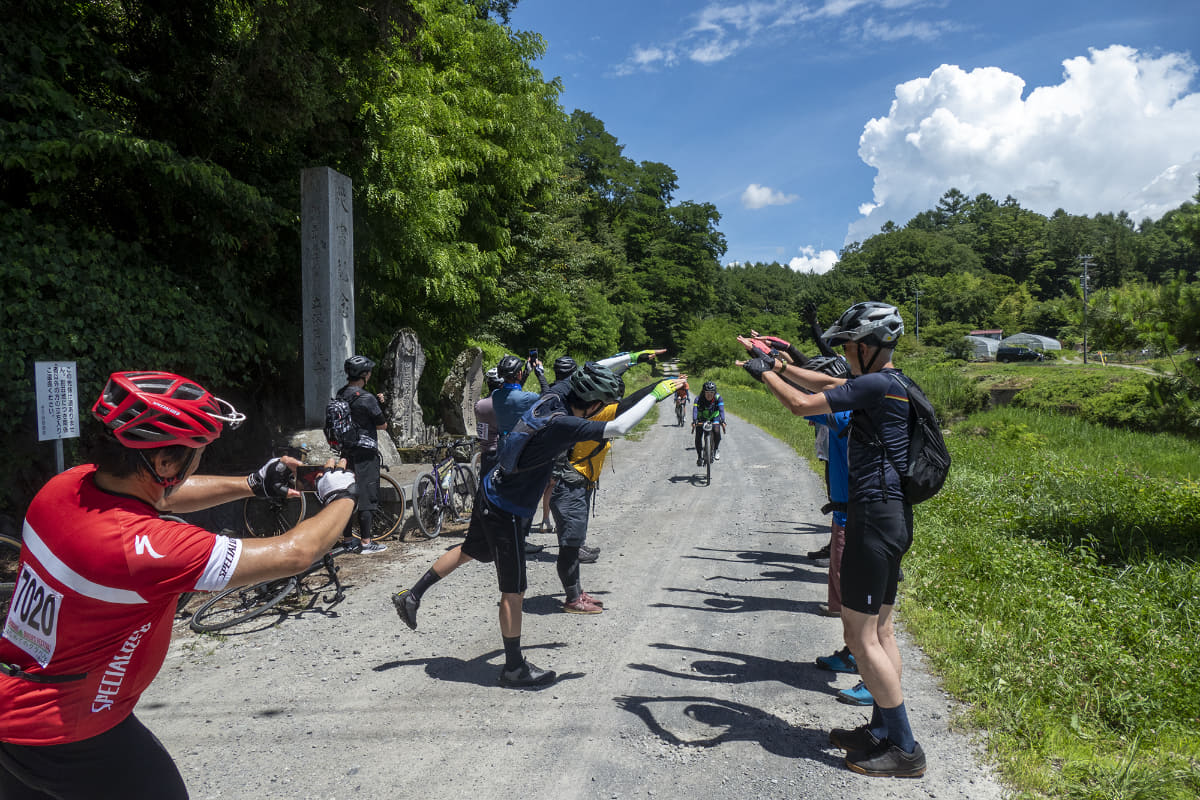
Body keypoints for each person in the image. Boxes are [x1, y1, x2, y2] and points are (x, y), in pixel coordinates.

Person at [0, 371, 358, 799]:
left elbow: (161, 496)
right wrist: (343, 497)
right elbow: (295, 553)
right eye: (197, 452)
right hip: (73, 730)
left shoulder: (64, 487)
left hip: (15, 707)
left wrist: (250, 484)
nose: (199, 461)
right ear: (166, 463)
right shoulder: (147, 549)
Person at [391, 364, 686, 687]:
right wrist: (657, 394)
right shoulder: (564, 426)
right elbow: (618, 427)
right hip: (507, 509)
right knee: (513, 590)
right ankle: (514, 667)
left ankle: (412, 595)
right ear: (593, 405)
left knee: (468, 550)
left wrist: (639, 365)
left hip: (491, 491)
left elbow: (600, 366)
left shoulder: (554, 397)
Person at [736, 301, 926, 779]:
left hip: (871, 519)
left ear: (864, 346)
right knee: (881, 632)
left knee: (860, 637)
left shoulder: (877, 384)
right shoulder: (894, 382)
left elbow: (802, 403)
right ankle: (882, 731)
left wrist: (764, 375)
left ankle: (904, 748)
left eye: (846, 344)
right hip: (892, 516)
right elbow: (822, 383)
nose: (843, 352)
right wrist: (780, 364)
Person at [544, 349, 665, 612]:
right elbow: (627, 407)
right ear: (592, 399)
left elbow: (603, 375)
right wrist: (658, 389)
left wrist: (633, 359)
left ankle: (575, 592)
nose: (606, 401)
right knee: (570, 546)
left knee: (572, 543)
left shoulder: (564, 396)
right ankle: (573, 600)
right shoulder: (592, 413)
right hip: (571, 484)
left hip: (576, 481)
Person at [491, 354, 550, 554]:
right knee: (526, 494)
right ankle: (521, 539)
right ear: (518, 374)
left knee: (507, 491)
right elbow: (548, 395)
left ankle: (506, 534)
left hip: (503, 447)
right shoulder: (527, 398)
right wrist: (539, 371)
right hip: (522, 449)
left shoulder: (496, 396)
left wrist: (525, 372)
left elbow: (513, 388)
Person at [336, 355, 389, 554]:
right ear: (365, 375)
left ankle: (348, 540)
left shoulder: (341, 394)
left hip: (346, 451)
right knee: (366, 496)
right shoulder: (367, 398)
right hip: (365, 453)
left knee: (348, 493)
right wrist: (380, 403)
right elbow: (382, 424)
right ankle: (366, 542)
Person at [474, 366, 505, 478]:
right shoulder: (503, 404)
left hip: (486, 452)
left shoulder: (479, 405)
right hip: (501, 453)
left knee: (484, 486)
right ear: (501, 384)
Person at [692, 381, 726, 465]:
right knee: (698, 436)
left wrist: (723, 420)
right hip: (702, 418)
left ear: (714, 393)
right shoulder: (698, 399)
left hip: (714, 417)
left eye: (711, 393)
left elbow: (721, 410)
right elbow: (695, 410)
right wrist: (694, 420)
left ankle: (716, 449)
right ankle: (699, 457)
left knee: (717, 431)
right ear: (703, 392)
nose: (709, 395)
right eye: (707, 392)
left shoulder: (718, 398)